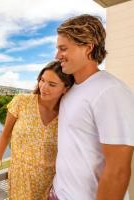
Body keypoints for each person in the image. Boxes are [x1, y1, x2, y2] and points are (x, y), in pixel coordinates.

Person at [51, 14, 134, 200]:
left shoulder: (111, 92)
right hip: (58, 194)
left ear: (88, 48)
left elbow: (118, 171)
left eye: (63, 49)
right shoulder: (72, 89)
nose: (57, 56)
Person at [0, 61, 74, 200]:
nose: (44, 87)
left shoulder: (67, 113)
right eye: (42, 80)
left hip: (52, 184)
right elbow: (5, 135)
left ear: (65, 88)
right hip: (20, 179)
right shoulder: (22, 102)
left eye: (52, 84)